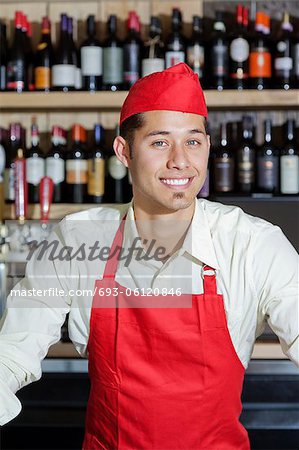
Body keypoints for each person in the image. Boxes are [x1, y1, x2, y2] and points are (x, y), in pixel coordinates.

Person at [0, 63, 298, 449]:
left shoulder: (253, 243)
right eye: (160, 142)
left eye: (193, 141)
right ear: (124, 151)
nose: (180, 160)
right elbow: (15, 345)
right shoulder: (76, 239)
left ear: (207, 146)